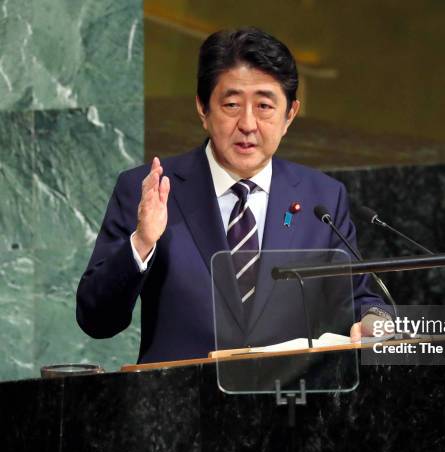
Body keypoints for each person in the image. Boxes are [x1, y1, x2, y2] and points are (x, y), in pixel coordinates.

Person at [76, 27, 387, 363]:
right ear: (202, 108)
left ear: (290, 114)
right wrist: (141, 243)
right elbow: (96, 320)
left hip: (290, 404)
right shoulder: (149, 189)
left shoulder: (321, 198)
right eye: (232, 104)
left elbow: (362, 298)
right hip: (176, 407)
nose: (248, 124)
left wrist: (375, 322)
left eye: (265, 106)